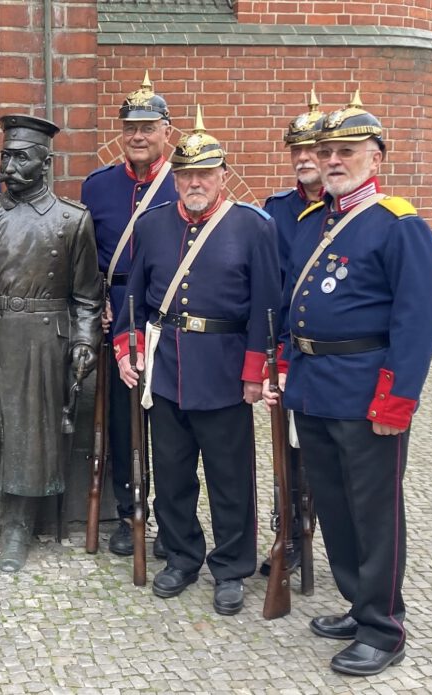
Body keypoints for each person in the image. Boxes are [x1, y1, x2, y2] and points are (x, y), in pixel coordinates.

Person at [262, 92, 432, 676]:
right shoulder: (316, 221)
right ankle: (357, 604)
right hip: (314, 387)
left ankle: (384, 627)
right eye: (328, 151)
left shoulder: (397, 224)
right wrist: (285, 369)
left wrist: (397, 399)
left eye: (348, 151)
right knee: (333, 507)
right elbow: (294, 303)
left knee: (374, 511)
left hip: (368, 391)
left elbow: (416, 321)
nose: (334, 160)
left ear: (375, 156)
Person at [114, 107, 279, 614]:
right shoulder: (153, 224)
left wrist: (257, 372)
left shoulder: (252, 227)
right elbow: (132, 300)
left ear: (221, 175)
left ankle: (231, 566)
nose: (195, 183)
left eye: (205, 173)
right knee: (173, 472)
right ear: (177, 177)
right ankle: (183, 555)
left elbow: (267, 308)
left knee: (231, 477)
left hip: (225, 372)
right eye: (187, 174)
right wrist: (127, 350)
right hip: (165, 372)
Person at [0, 114, 103, 572]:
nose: (6, 166)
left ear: (45, 162)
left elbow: (88, 296)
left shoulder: (73, 221)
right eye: (5, 155)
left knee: (31, 438)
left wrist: (85, 342)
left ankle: (17, 526)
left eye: (19, 157)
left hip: (41, 337)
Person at [80, 72, 176, 558]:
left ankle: (170, 518)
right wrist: (96, 306)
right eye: (130, 127)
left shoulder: (185, 181)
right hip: (113, 313)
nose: (138, 136)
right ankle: (127, 510)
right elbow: (85, 258)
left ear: (166, 131)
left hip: (167, 312)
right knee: (120, 421)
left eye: (148, 126)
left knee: (169, 422)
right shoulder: (98, 186)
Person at [258, 90, 325, 577]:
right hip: (285, 351)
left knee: (327, 452)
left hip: (332, 357)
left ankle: (324, 533)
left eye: (315, 150)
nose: (304, 159)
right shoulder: (276, 209)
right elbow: (269, 286)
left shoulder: (351, 210)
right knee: (287, 454)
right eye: (296, 150)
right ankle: (290, 533)